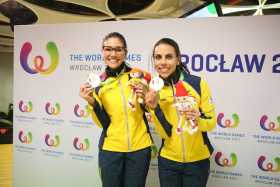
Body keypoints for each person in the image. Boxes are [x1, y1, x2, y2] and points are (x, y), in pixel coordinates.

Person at [79, 32, 152, 187]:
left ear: (125, 53)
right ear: (103, 52)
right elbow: (103, 123)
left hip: (139, 149)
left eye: (118, 49)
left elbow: (151, 110)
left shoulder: (138, 77)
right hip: (110, 149)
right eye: (108, 49)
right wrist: (92, 102)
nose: (113, 54)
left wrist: (147, 97)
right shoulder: (98, 84)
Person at [145, 38, 216, 187]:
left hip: (198, 161)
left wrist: (198, 120)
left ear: (178, 60)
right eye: (158, 57)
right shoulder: (153, 89)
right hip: (169, 162)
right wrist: (154, 107)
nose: (163, 62)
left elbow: (211, 122)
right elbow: (165, 133)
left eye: (168, 56)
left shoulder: (197, 83)